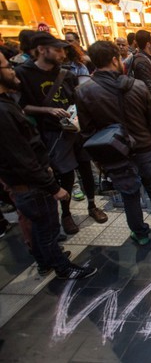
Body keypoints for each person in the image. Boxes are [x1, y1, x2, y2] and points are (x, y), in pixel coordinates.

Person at [0, 45, 97, 279]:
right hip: (31, 186)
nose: (13, 70)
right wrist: (53, 187)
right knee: (47, 228)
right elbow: (22, 158)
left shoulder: (7, 103)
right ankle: (62, 267)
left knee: (42, 228)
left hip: (28, 183)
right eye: (6, 66)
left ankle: (46, 261)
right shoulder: (3, 112)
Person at [75, 40, 151, 245]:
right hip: (145, 148)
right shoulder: (138, 86)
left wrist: (98, 158)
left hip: (114, 152)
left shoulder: (84, 91)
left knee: (129, 195)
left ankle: (140, 234)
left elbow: (87, 131)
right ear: (115, 60)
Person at [15, 32, 107, 235]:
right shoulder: (23, 73)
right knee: (64, 173)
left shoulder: (67, 73)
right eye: (57, 50)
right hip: (51, 133)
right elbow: (20, 107)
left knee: (85, 167)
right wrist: (47, 110)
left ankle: (92, 205)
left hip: (75, 129)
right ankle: (66, 214)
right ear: (41, 50)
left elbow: (77, 98)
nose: (62, 54)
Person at [126, 30, 151, 117]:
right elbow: (147, 85)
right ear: (148, 44)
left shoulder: (145, 58)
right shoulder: (142, 61)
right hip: (148, 104)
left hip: (150, 102)